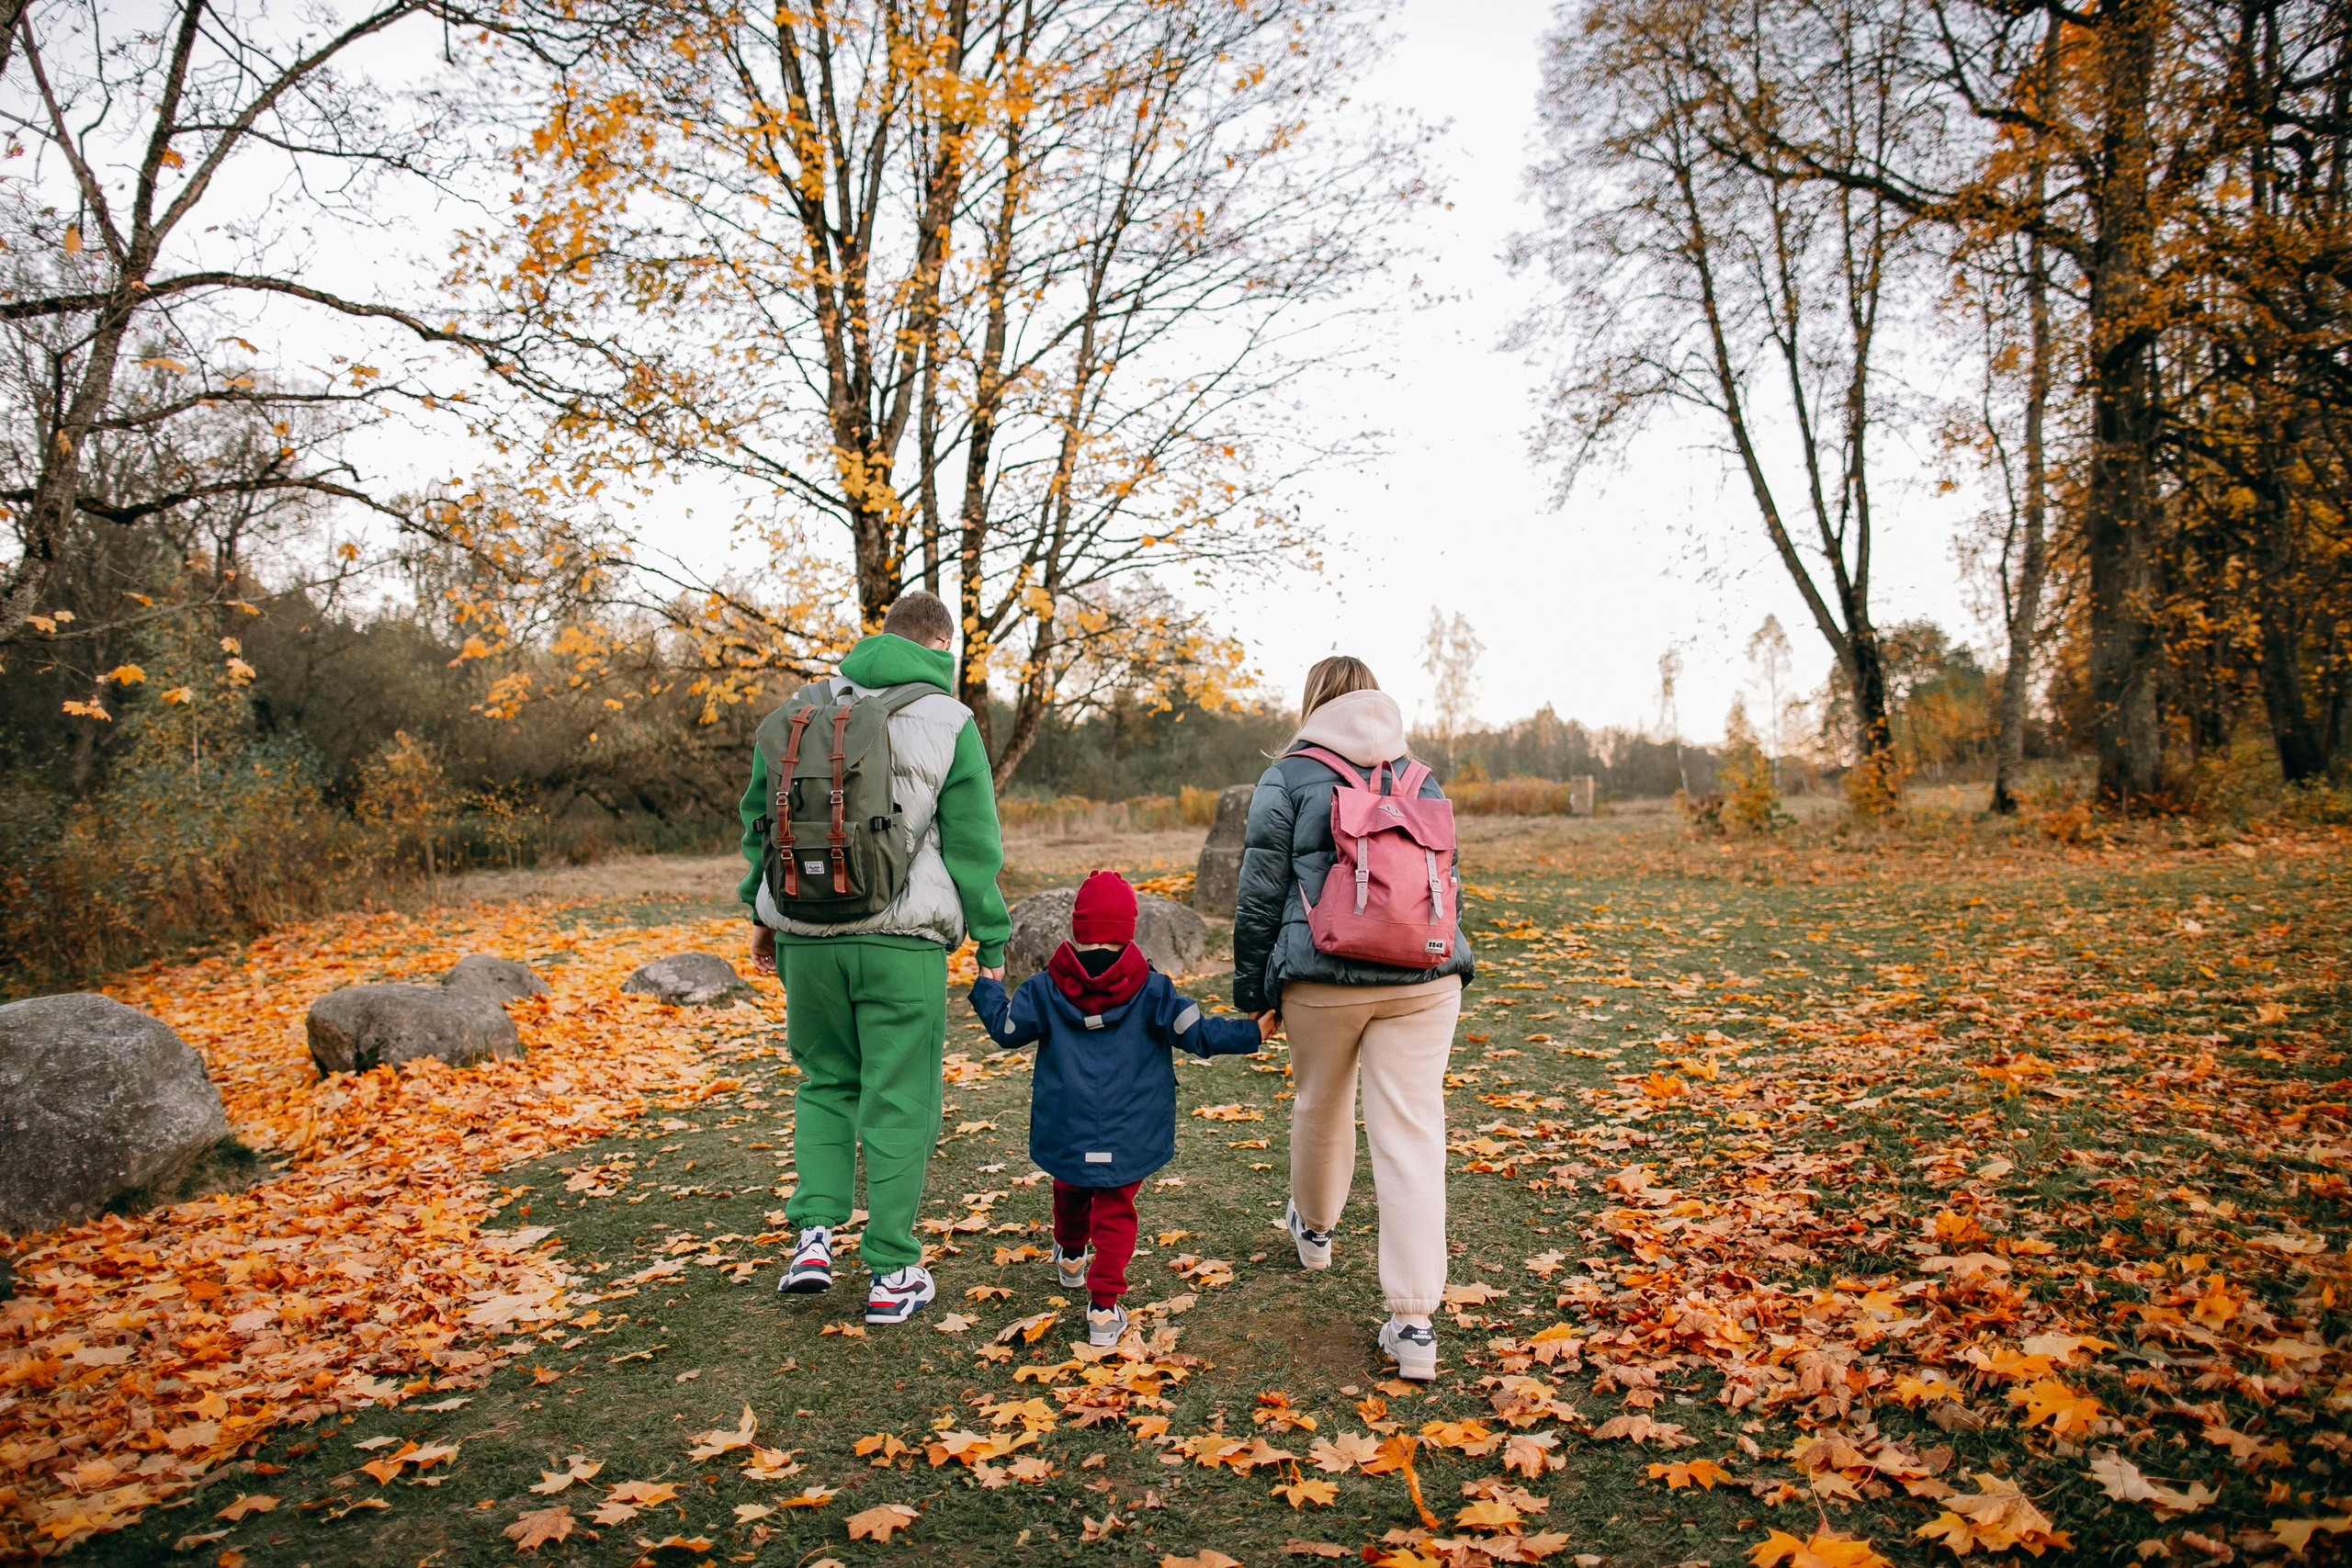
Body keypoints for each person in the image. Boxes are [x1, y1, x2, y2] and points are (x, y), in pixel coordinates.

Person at [740, 590, 1012, 1326]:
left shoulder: (803, 707)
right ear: (941, 647)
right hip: (901, 943)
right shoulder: (950, 721)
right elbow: (973, 845)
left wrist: (761, 913)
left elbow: (759, 821)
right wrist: (991, 939)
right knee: (900, 1098)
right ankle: (892, 1270)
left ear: (880, 636)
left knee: (825, 1081)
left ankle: (813, 1238)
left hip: (804, 933)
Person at [1230, 655, 1474, 1381]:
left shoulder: (1288, 775)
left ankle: (1315, 1231)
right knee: (1412, 1136)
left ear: (1313, 703)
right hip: (1424, 977)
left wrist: (1254, 994)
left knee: (1320, 1105)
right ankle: (1414, 1323)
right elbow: (1448, 879)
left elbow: (1258, 895)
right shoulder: (1419, 774)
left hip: (1321, 976)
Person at [968, 871, 1270, 1346]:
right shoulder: (1154, 991)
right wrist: (1253, 1033)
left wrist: (989, 986)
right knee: (1116, 1209)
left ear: (1077, 928)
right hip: (1131, 1130)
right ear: (1129, 927)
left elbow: (1007, 1030)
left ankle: (1070, 1255)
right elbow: (1201, 1035)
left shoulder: (1046, 988)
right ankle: (1104, 1310)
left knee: (1070, 1186)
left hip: (1066, 1126)